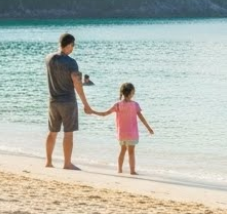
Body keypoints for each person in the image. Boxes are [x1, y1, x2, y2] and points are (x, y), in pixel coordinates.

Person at [46, 33, 94, 170]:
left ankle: (48, 162)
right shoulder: (71, 62)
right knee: (68, 133)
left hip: (53, 101)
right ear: (68, 45)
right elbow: (77, 83)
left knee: (52, 131)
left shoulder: (48, 59)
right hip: (68, 102)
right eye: (73, 45)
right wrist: (86, 104)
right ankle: (67, 163)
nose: (73, 48)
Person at [92, 82, 155, 175]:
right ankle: (132, 171)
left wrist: (93, 111)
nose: (134, 93)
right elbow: (141, 118)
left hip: (121, 134)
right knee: (131, 152)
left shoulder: (117, 105)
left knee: (122, 150)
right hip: (132, 134)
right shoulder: (135, 105)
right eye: (133, 92)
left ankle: (120, 170)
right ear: (131, 93)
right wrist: (149, 128)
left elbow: (105, 114)